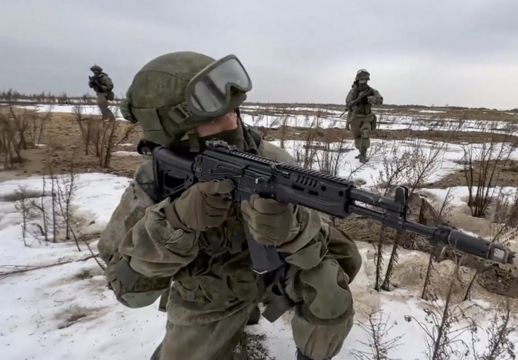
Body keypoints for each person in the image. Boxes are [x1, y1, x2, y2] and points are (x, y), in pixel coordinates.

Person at [97, 51, 362, 360]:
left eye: (234, 110)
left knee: (328, 288)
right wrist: (176, 222)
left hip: (274, 274)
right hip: (208, 292)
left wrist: (294, 229)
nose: (232, 121)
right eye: (213, 118)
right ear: (173, 133)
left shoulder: (271, 161)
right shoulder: (153, 181)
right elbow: (129, 290)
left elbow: (342, 253)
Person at [345, 69, 383, 163]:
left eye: (365, 80)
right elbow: (348, 103)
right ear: (358, 80)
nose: (363, 82)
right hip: (355, 118)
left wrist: (372, 99)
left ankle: (363, 155)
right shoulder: (353, 91)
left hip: (366, 117)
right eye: (361, 80)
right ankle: (361, 151)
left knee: (365, 134)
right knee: (357, 137)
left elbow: (380, 100)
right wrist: (356, 101)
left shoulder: (371, 91)